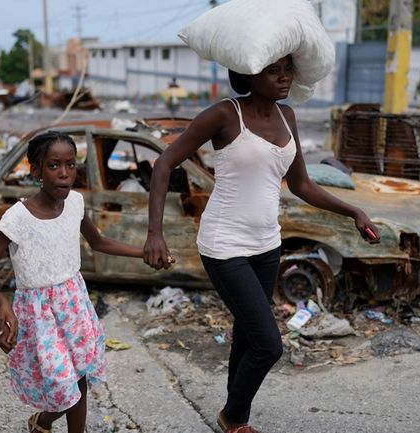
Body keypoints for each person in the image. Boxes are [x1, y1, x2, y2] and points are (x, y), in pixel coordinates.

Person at [143, 55, 379, 433]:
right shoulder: (224, 114)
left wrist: (353, 211)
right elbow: (164, 163)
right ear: (250, 74)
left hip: (267, 244)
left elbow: (301, 184)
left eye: (287, 69)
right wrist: (155, 232)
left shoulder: (288, 117)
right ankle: (233, 416)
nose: (284, 77)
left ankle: (235, 417)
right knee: (269, 345)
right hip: (224, 244)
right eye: (274, 70)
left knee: (248, 332)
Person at [0, 131, 150, 433]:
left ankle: (43, 422)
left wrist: (143, 252)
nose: (65, 173)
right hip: (39, 314)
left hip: (74, 304)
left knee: (77, 376)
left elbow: (98, 242)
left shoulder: (76, 203)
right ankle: (44, 419)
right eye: (54, 165)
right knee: (59, 379)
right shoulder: (18, 217)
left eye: (71, 164)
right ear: (36, 171)